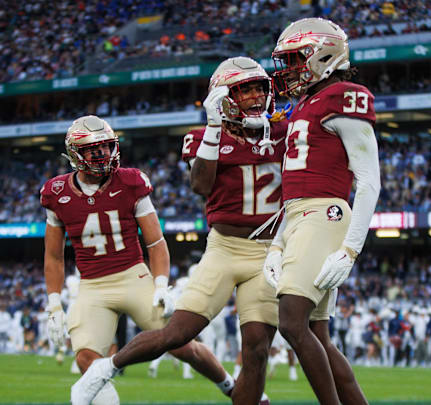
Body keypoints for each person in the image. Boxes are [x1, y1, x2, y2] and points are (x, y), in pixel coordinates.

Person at [69, 56, 285, 405]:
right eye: (245, 90)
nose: (256, 96)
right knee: (177, 333)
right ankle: (104, 369)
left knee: (257, 349)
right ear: (223, 97)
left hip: (270, 250)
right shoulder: (201, 137)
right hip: (226, 249)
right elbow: (200, 184)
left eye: (260, 87)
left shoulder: (286, 130)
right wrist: (215, 128)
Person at [41, 115, 231, 405]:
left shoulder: (130, 181)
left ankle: (230, 386)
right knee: (85, 359)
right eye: (93, 149)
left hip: (133, 276)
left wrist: (160, 284)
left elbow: (155, 242)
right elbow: (54, 256)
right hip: (92, 285)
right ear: (75, 155)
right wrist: (54, 303)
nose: (102, 154)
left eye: (105, 147)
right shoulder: (56, 193)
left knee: (181, 344)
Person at [262, 17, 380, 405]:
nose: (291, 70)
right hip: (299, 216)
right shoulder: (305, 103)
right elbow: (294, 192)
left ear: (324, 54)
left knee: (291, 322)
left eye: (296, 60)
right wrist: (278, 244)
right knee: (317, 334)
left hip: (324, 214)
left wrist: (350, 250)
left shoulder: (343, 95)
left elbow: (368, 180)